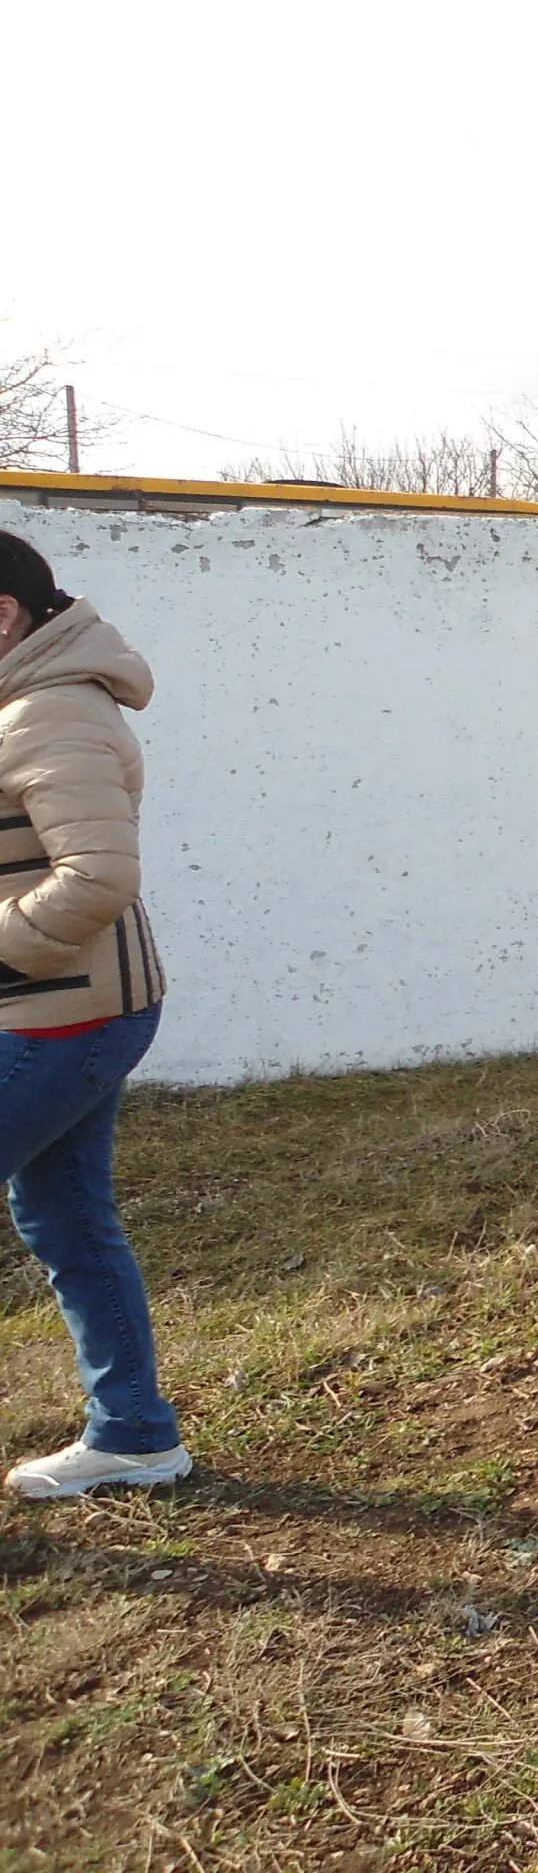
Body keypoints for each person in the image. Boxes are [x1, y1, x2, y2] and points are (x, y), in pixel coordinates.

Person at [0, 531, 187, 1501]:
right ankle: (136, 1435)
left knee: (66, 1214)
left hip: (66, 1014)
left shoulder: (50, 714)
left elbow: (97, 879)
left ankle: (136, 1431)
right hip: (65, 1006)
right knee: (63, 1211)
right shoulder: (28, 706)